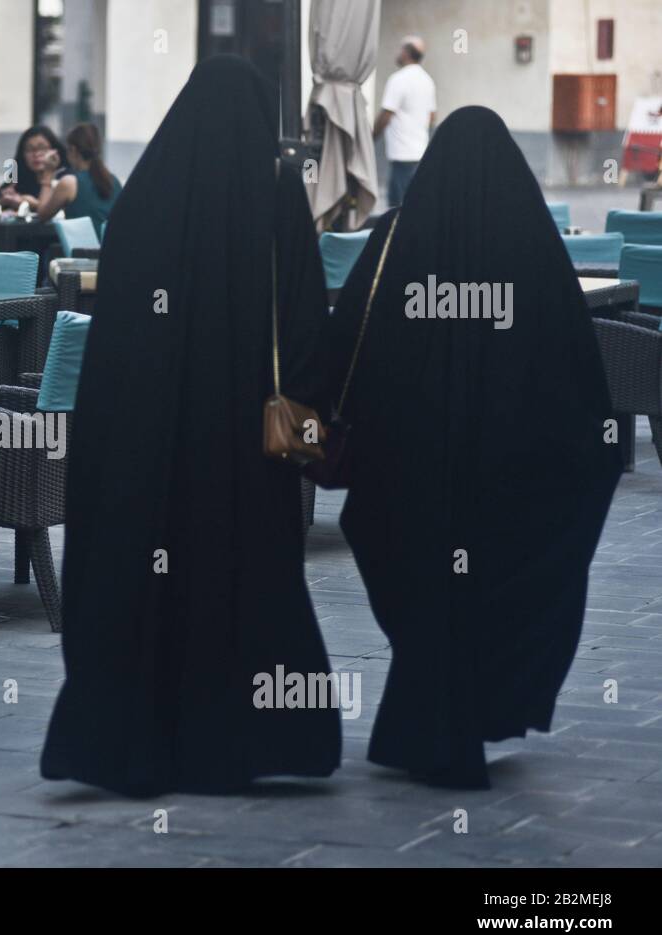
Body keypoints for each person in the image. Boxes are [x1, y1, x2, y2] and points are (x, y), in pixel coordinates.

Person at [39, 56, 342, 797]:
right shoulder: (274, 198)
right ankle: (238, 735)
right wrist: (310, 429)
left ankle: (137, 730)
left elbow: (111, 343)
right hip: (247, 452)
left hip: (148, 447)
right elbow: (305, 331)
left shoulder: (147, 197)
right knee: (244, 580)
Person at [323, 107, 622, 789]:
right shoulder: (532, 247)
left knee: (426, 591)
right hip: (510, 478)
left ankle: (429, 713)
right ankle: (470, 705)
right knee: (483, 586)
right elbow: (576, 368)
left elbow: (346, 339)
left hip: (405, 468)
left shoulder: (397, 238)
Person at [374, 35, 436, 207]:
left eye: (400, 49)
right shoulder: (427, 81)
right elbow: (432, 117)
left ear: (406, 52)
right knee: (415, 204)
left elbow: (387, 113)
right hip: (420, 151)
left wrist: (371, 137)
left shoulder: (398, 79)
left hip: (402, 153)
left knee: (396, 207)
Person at [34, 123, 122, 231]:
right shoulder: (113, 180)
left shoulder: (69, 183)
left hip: (82, 247)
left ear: (73, 150)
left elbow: (42, 215)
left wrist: (48, 173)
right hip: (109, 246)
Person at [0, 125, 69, 211]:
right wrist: (4, 200)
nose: (36, 154)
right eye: (30, 149)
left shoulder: (65, 177)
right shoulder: (20, 175)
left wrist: (32, 204)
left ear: (55, 151)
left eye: (42, 148)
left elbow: (64, 211)